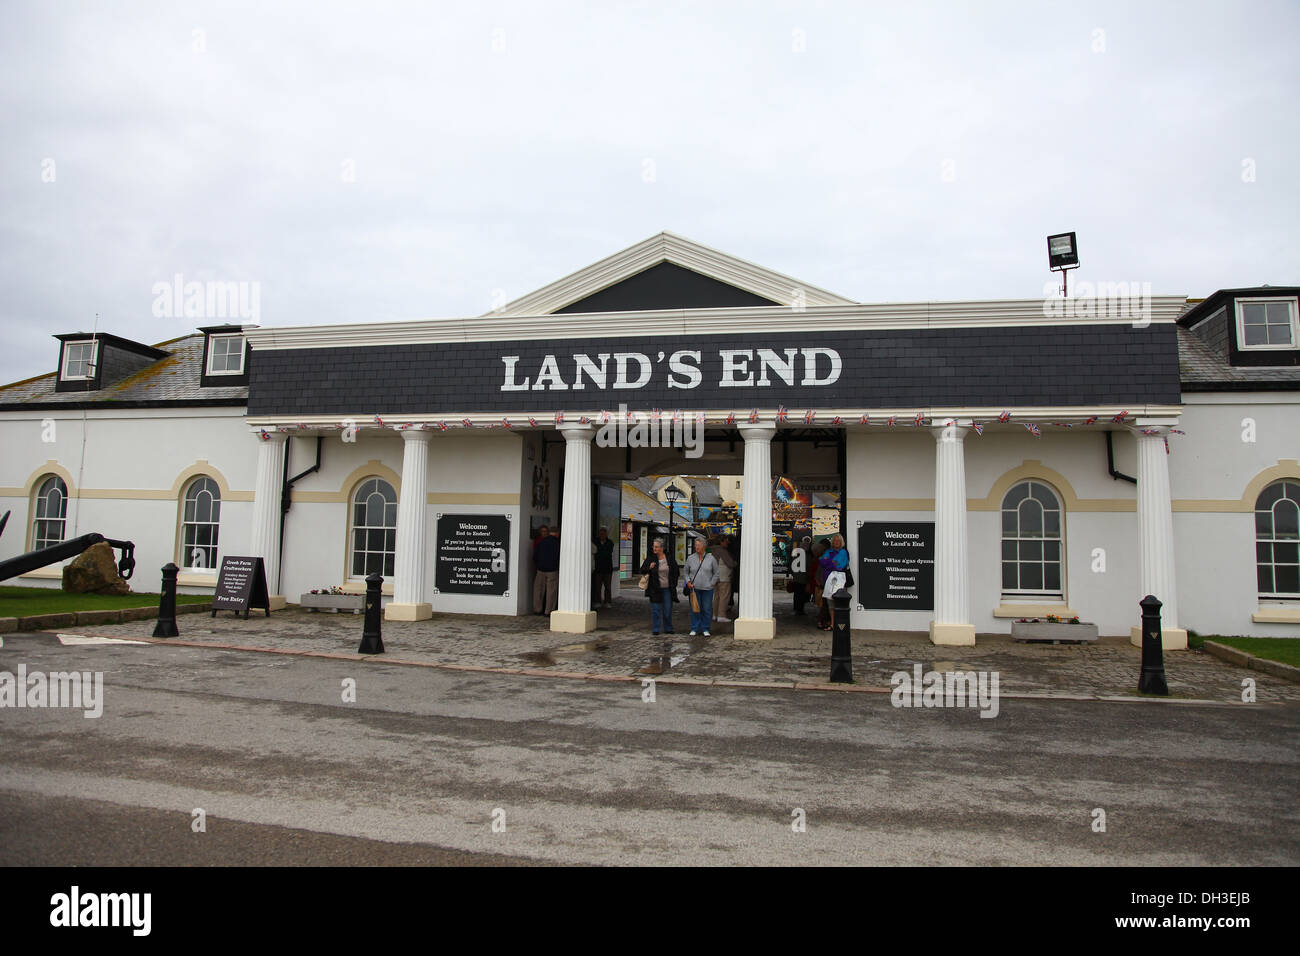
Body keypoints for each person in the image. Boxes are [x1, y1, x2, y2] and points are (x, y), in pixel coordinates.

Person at [638, 538, 679, 635]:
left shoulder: (669, 558)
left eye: (656, 547)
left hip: (667, 589)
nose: (654, 548)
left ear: (662, 548)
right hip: (654, 589)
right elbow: (642, 570)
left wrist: (674, 583)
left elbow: (676, 571)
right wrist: (649, 567)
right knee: (656, 610)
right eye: (653, 546)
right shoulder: (651, 558)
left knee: (667, 610)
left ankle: (668, 628)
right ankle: (656, 629)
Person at [683, 537, 719, 637]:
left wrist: (711, 583)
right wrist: (688, 581)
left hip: (707, 589)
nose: (696, 547)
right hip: (694, 588)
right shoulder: (690, 558)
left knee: (706, 609)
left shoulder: (711, 559)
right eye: (696, 545)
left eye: (698, 545)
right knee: (695, 608)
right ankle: (694, 628)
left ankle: (705, 628)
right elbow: (685, 572)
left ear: (704, 546)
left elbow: (716, 573)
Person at [818, 534, 850, 631]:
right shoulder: (829, 551)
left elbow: (839, 566)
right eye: (834, 540)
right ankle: (832, 624)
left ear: (841, 542)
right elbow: (821, 561)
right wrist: (831, 563)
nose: (836, 542)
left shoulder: (843, 552)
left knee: (839, 602)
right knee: (830, 603)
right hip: (828, 580)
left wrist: (829, 562)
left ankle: (839, 624)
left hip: (839, 581)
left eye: (838, 541)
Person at [532, 525, 560, 616]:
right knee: (551, 591)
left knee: (538, 590)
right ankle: (548, 611)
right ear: (557, 534)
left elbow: (535, 556)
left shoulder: (541, 542)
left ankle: (537, 609)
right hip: (552, 570)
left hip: (540, 569)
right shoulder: (558, 543)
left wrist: (539, 565)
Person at [711, 535, 736, 624]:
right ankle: (721, 615)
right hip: (724, 577)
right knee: (724, 596)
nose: (727, 543)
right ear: (721, 542)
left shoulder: (713, 550)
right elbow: (730, 563)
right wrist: (735, 563)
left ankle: (715, 614)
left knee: (716, 596)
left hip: (715, 576)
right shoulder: (722, 551)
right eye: (725, 541)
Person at [593, 527, 615, 608]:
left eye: (603, 534)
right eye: (600, 534)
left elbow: (606, 553)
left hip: (608, 568)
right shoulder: (595, 542)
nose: (602, 535)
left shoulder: (610, 543)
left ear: (606, 534)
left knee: (608, 586)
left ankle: (607, 602)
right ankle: (597, 601)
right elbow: (595, 552)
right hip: (598, 568)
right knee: (597, 586)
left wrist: (599, 552)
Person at [791, 535, 811, 616]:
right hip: (800, 577)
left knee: (801, 594)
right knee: (798, 594)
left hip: (803, 577)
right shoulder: (798, 553)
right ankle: (798, 608)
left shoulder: (806, 554)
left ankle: (799, 608)